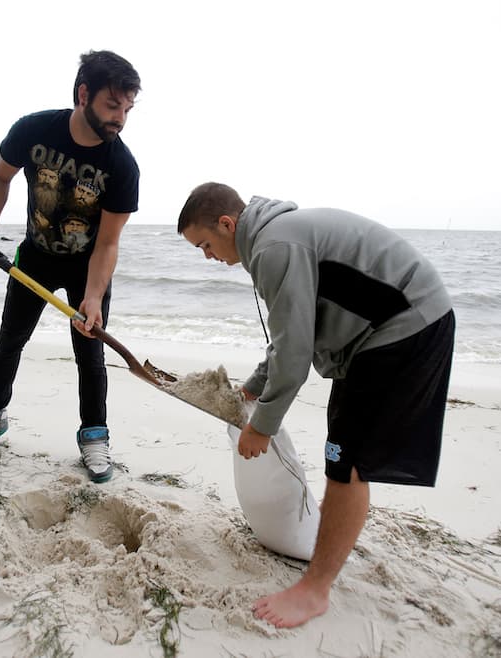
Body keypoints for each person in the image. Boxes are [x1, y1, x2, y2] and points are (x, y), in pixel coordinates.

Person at [177, 182, 455, 628]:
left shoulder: (274, 247)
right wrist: (251, 388)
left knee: (347, 460)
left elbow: (293, 357)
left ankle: (315, 589)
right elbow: (291, 336)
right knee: (343, 451)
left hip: (405, 327)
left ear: (228, 224)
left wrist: (261, 428)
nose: (207, 256)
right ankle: (330, 539)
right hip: (383, 331)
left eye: (205, 244)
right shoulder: (274, 237)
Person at [0, 50, 141, 483]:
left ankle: (94, 436)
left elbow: (109, 241)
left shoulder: (122, 165)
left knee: (89, 354)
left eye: (128, 109)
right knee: (10, 341)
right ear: (84, 94)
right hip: (35, 258)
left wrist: (94, 297)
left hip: (87, 268)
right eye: (112, 106)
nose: (120, 118)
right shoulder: (35, 129)